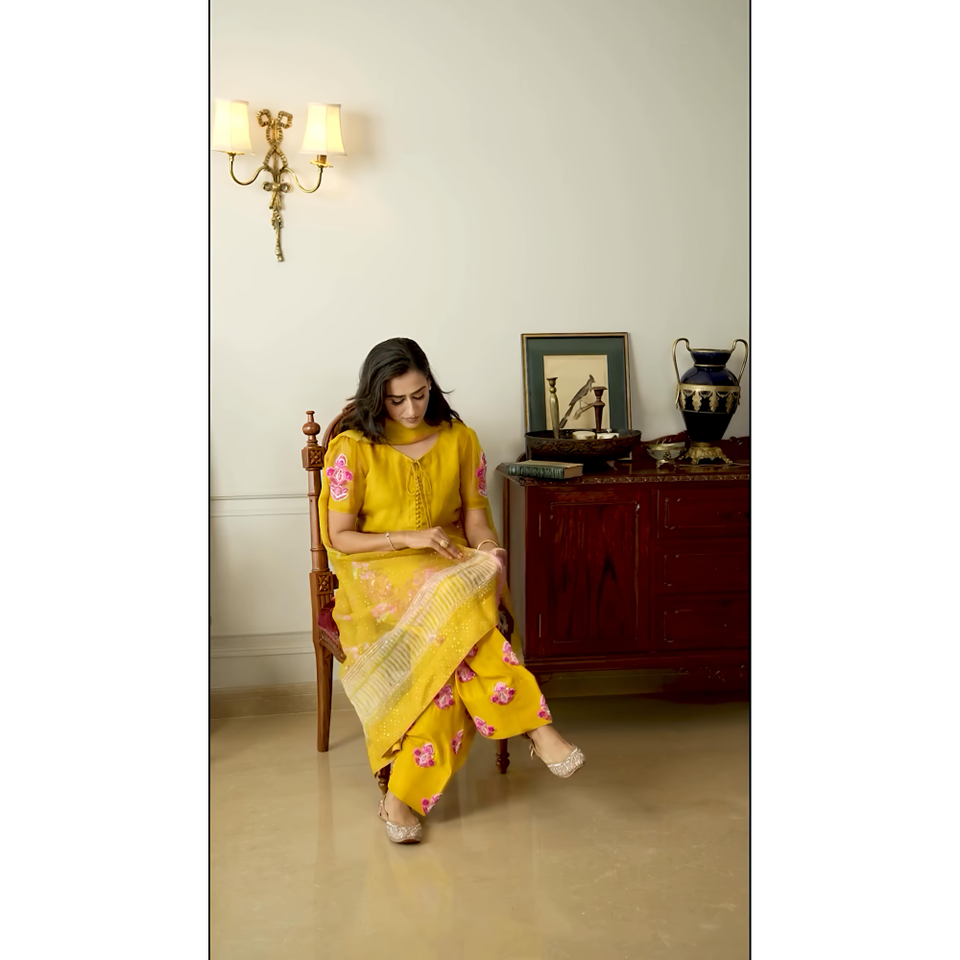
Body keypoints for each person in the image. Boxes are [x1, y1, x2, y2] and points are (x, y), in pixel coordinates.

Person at [318, 338, 585, 844]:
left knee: (452, 653)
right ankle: (534, 725)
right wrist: (408, 538)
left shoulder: (460, 438)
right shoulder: (352, 447)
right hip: (375, 572)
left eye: (419, 395)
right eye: (396, 400)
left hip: (447, 565)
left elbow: (476, 517)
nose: (411, 409)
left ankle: (400, 798)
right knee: (458, 613)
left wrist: (489, 551)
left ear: (431, 385)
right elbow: (340, 537)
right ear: (376, 396)